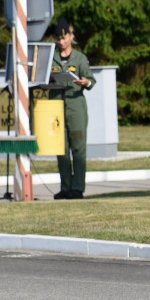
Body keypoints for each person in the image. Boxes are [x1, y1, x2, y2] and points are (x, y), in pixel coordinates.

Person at [50, 17, 95, 200]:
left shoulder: (79, 58)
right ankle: (65, 186)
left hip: (75, 106)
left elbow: (91, 80)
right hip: (56, 106)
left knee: (78, 148)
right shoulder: (50, 57)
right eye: (58, 39)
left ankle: (77, 188)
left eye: (64, 38)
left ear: (70, 35)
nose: (61, 42)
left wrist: (85, 82)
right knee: (61, 149)